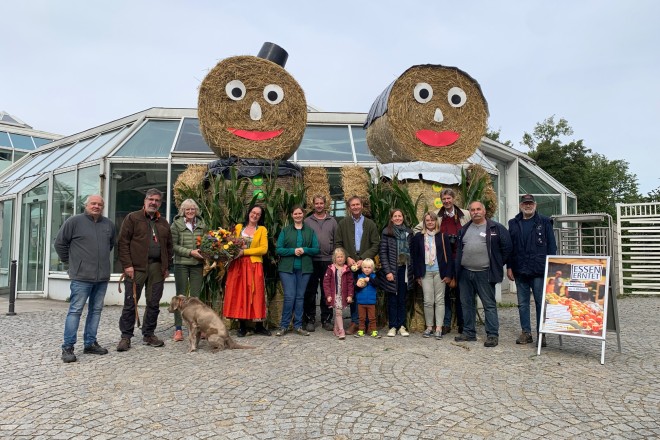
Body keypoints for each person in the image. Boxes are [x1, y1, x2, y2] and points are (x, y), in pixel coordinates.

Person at [55, 195, 115, 363]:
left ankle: (90, 343)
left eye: (99, 204)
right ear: (86, 205)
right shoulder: (74, 222)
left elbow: (110, 245)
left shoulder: (108, 225)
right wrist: (71, 262)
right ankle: (68, 347)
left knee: (96, 311)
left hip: (101, 277)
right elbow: (59, 243)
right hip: (81, 276)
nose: (96, 206)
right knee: (75, 311)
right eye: (93, 204)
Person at [117, 188, 173, 352]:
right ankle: (125, 337)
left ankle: (149, 334)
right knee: (130, 303)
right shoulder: (132, 218)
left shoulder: (163, 222)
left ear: (160, 203)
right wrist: (127, 265)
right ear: (145, 201)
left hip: (157, 268)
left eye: (157, 200)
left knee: (154, 302)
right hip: (136, 268)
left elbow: (169, 246)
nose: (153, 203)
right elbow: (123, 243)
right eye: (151, 199)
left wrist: (166, 266)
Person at [454, 201, 512, 348]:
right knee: (467, 304)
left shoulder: (495, 228)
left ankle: (492, 335)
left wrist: (497, 263)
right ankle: (469, 332)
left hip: (485, 273)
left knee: (489, 304)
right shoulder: (464, 229)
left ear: (484, 211)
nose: (475, 212)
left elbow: (507, 248)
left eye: (478, 209)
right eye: (472, 210)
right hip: (465, 273)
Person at [507, 194, 557, 347]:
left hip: (539, 270)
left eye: (530, 203)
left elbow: (552, 247)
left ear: (535, 205)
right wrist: (509, 266)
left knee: (540, 303)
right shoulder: (513, 223)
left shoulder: (545, 221)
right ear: (521, 205)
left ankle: (542, 334)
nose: (528, 206)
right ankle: (526, 333)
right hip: (520, 269)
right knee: (522, 303)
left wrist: (551, 267)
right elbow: (510, 247)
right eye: (525, 203)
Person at [223, 205, 271, 337]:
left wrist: (244, 252)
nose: (254, 215)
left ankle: (259, 326)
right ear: (248, 213)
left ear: (260, 217)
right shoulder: (239, 227)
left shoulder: (261, 230)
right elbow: (229, 243)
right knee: (240, 293)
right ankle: (242, 326)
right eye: (253, 212)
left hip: (254, 265)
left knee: (256, 293)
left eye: (258, 214)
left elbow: (263, 249)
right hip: (238, 265)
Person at [334, 196, 380, 335]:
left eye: (357, 204)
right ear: (349, 207)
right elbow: (338, 243)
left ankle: (369, 323)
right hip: (350, 264)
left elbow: (376, 244)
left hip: (365, 265)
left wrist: (364, 258)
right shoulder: (343, 223)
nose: (355, 207)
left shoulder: (370, 224)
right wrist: (347, 257)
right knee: (353, 292)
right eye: (352, 205)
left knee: (368, 291)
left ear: (361, 206)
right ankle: (355, 322)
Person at [275, 205, 320, 337]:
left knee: (300, 297)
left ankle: (298, 325)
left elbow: (316, 249)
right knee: (289, 297)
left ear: (303, 214)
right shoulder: (285, 231)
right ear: (291, 215)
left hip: (304, 269)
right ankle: (284, 326)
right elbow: (279, 249)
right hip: (287, 269)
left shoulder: (310, 231)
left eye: (300, 213)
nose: (298, 215)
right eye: (295, 213)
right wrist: (292, 251)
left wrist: (305, 250)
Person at [411, 211, 454, 340]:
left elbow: (449, 257)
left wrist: (448, 274)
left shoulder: (442, 236)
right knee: (428, 300)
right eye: (427, 220)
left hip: (440, 272)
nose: (430, 222)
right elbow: (415, 257)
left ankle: (439, 327)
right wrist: (417, 275)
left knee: (439, 300)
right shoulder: (418, 237)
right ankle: (429, 326)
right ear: (424, 222)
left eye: (432, 220)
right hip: (425, 273)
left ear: (436, 222)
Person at [170, 198, 207, 342]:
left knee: (196, 298)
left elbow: (206, 242)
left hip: (197, 264)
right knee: (180, 298)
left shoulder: (202, 224)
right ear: (183, 211)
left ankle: (197, 328)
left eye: (193, 209)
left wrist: (206, 252)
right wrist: (190, 252)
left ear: (196, 210)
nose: (190, 211)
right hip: (182, 264)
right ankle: (178, 329)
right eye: (187, 209)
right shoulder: (176, 225)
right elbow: (173, 245)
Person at [303, 194, 338, 332]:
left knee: (327, 291)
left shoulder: (332, 221)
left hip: (328, 260)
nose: (319, 205)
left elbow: (336, 240)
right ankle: (310, 319)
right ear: (313, 205)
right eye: (316, 203)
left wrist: (334, 258)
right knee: (310, 291)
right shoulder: (307, 221)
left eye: (321, 203)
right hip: (311, 260)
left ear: (325, 204)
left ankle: (326, 319)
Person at [378, 208, 415, 338]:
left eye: (400, 216)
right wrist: (388, 271)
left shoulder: (409, 233)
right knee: (393, 299)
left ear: (403, 218)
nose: (398, 218)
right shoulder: (387, 232)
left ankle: (402, 326)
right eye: (395, 216)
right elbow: (383, 253)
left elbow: (413, 253)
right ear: (391, 218)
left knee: (402, 299)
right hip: (392, 270)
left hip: (405, 270)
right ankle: (393, 326)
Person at [323, 248, 354, 340]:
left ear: (344, 258)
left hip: (342, 295)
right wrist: (328, 295)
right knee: (338, 312)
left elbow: (350, 283)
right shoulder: (330, 269)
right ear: (334, 258)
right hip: (334, 295)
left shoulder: (346, 269)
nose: (340, 259)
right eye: (338, 257)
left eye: (341, 257)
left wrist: (350, 295)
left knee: (338, 312)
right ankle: (341, 330)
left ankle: (336, 329)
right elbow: (326, 283)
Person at [354, 258, 380, 338]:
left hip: (371, 302)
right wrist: (358, 285)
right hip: (361, 302)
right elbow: (355, 289)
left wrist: (370, 280)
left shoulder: (374, 276)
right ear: (362, 268)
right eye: (365, 267)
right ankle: (361, 330)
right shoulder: (359, 276)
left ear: (372, 268)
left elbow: (377, 284)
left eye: (369, 268)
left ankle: (373, 330)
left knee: (372, 318)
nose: (367, 269)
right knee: (361, 318)